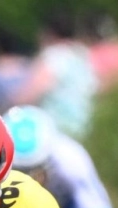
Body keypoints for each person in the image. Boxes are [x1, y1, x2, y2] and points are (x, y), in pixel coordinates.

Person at [10, 11, 98, 139]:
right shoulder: (82, 54)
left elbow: (32, 92)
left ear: (49, 33)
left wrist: (8, 106)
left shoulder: (54, 56)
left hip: (58, 130)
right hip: (85, 128)